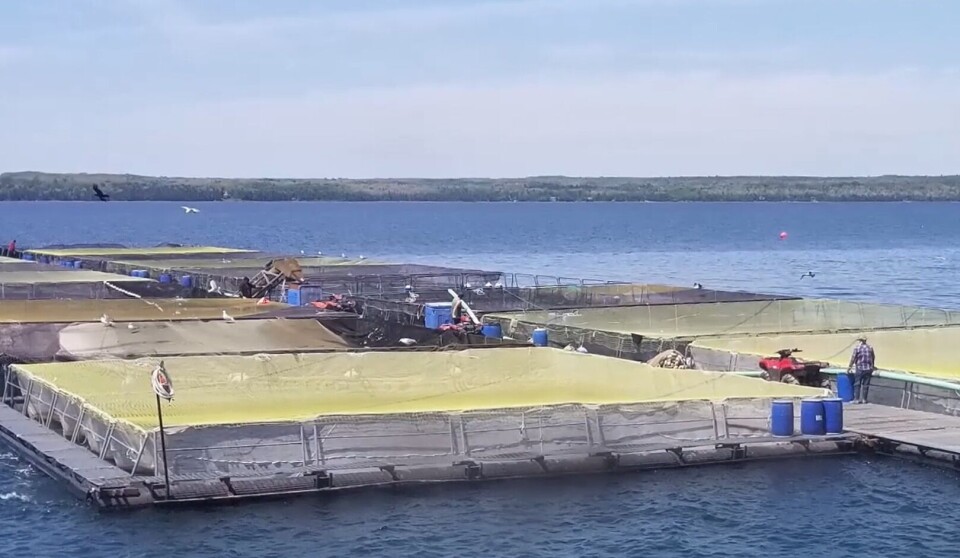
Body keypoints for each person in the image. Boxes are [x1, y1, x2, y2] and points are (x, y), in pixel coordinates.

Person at [846, 335, 875, 404]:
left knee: (857, 384)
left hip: (860, 368)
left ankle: (857, 399)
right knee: (866, 385)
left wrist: (849, 367)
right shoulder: (870, 347)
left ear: (860, 341)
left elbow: (853, 358)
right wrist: (872, 366)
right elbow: (873, 357)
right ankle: (864, 399)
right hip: (868, 369)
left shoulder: (857, 348)